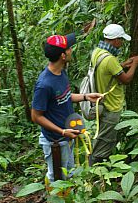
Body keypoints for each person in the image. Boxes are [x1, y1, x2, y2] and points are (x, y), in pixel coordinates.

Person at [31, 32, 103, 182]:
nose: (71, 50)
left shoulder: (61, 73)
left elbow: (63, 97)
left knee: (69, 174)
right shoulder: (44, 84)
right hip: (55, 141)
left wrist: (85, 96)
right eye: (69, 48)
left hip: (66, 136)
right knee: (56, 178)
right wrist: (62, 132)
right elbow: (36, 116)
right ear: (63, 56)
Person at [90, 24, 138, 165]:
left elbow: (108, 70)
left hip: (100, 103)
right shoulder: (110, 60)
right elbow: (126, 79)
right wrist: (135, 64)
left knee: (101, 138)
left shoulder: (98, 52)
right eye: (121, 40)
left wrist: (124, 64)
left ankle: (97, 169)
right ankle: (96, 171)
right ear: (116, 40)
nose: (122, 43)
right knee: (105, 142)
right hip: (110, 107)